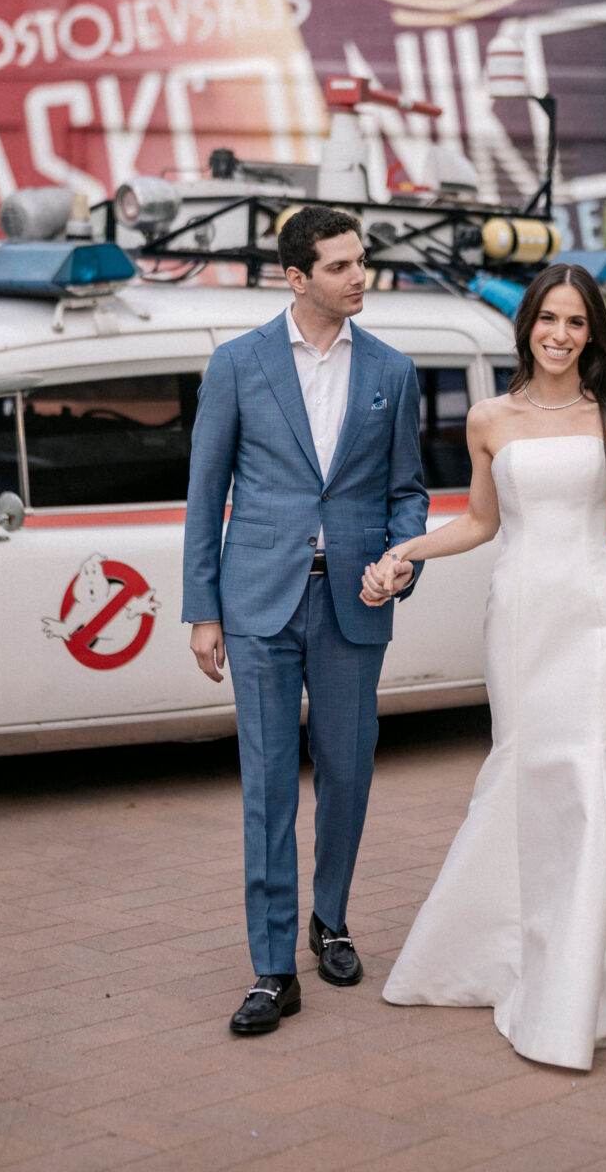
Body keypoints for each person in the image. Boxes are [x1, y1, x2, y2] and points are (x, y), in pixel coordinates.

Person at [363, 262, 606, 1070]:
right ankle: (504, 950)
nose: (559, 334)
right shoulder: (488, 418)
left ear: (593, 334)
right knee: (520, 774)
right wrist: (406, 547)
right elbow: (480, 523)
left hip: (595, 618)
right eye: (547, 318)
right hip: (518, 618)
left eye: (575, 322)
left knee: (590, 775)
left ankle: (589, 985)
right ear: (527, 327)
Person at [183, 205, 427, 1036]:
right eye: (339, 266)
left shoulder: (393, 371)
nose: (359, 276)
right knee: (267, 788)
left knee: (350, 774)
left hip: (352, 604)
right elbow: (204, 493)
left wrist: (403, 557)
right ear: (296, 278)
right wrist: (202, 609)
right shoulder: (237, 363)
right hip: (257, 604)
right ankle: (271, 968)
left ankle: (331, 919)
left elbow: (406, 490)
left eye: (362, 261)